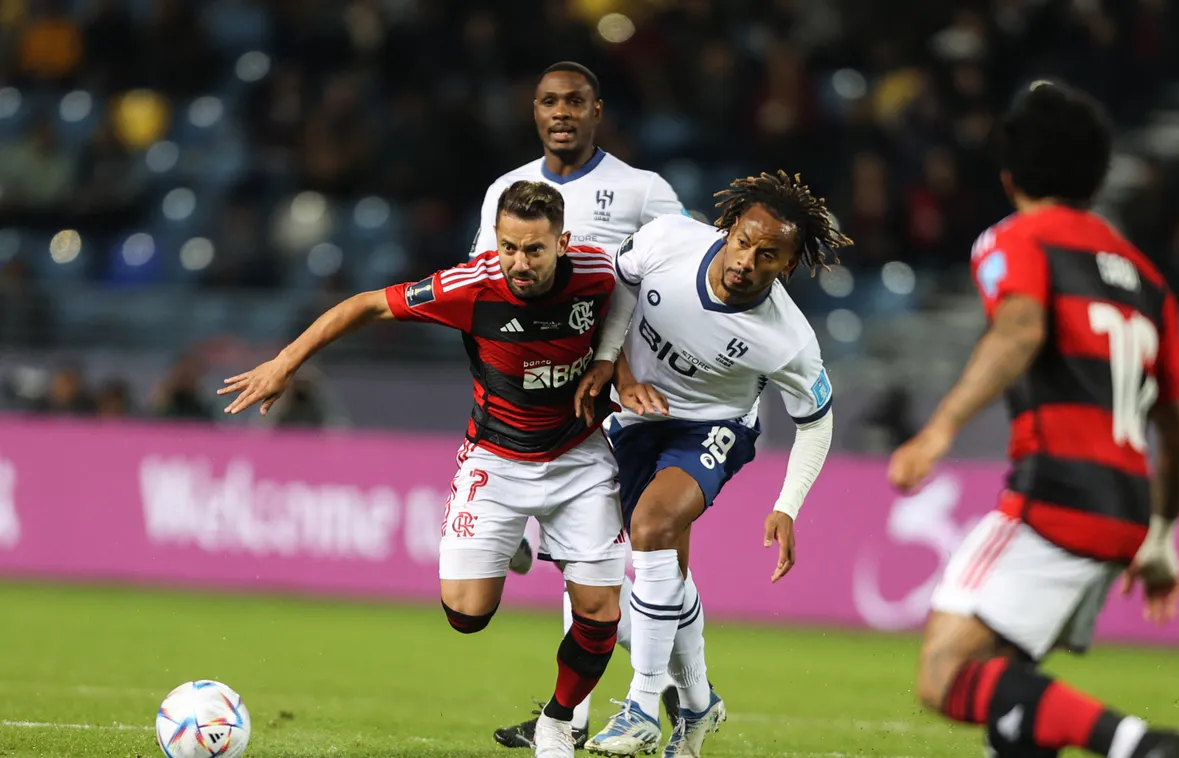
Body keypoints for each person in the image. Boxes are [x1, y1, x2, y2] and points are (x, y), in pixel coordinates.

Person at [219, 181, 626, 758]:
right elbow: (365, 304)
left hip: (579, 457)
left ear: (562, 242)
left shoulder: (601, 270)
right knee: (465, 615)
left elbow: (640, 299)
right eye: (509, 246)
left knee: (598, 610)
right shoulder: (473, 286)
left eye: (534, 250)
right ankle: (510, 541)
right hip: (497, 459)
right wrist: (286, 362)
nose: (519, 262)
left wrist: (613, 364)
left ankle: (558, 722)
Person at [887, 81, 1179, 758]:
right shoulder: (1146, 278)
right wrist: (1162, 534)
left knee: (946, 676)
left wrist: (937, 430)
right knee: (1010, 681)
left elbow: (1019, 329)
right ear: (1096, 178)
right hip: (1125, 508)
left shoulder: (1016, 239)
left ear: (1008, 175)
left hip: (1054, 496)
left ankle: (1140, 747)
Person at [574, 170, 851, 758]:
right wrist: (613, 365)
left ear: (787, 266)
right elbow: (619, 286)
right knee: (623, 571)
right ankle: (698, 704)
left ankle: (641, 708)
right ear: (726, 228)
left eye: (768, 255)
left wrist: (787, 505)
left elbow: (817, 420)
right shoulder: (667, 240)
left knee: (652, 527)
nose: (747, 260)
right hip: (630, 412)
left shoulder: (789, 341)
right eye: (744, 240)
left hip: (710, 427)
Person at [486, 60, 690, 751]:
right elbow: (485, 309)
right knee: (583, 574)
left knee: (633, 564)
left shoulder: (644, 191)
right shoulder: (506, 192)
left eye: (575, 100)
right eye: (548, 101)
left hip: (630, 401)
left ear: (597, 110)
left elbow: (685, 276)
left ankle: (682, 694)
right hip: (543, 407)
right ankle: (571, 716)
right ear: (534, 110)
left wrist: (631, 368)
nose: (561, 111)